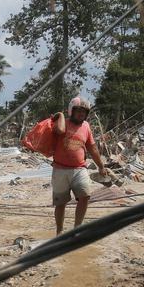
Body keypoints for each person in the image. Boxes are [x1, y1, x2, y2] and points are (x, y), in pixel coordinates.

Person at [24, 96, 108, 234]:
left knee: (85, 196)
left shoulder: (86, 126)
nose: (81, 114)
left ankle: (77, 228)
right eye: (78, 110)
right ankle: (59, 231)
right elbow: (59, 131)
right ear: (71, 111)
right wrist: (60, 115)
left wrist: (101, 166)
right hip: (60, 169)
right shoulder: (62, 123)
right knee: (60, 203)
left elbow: (92, 147)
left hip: (79, 168)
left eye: (84, 111)